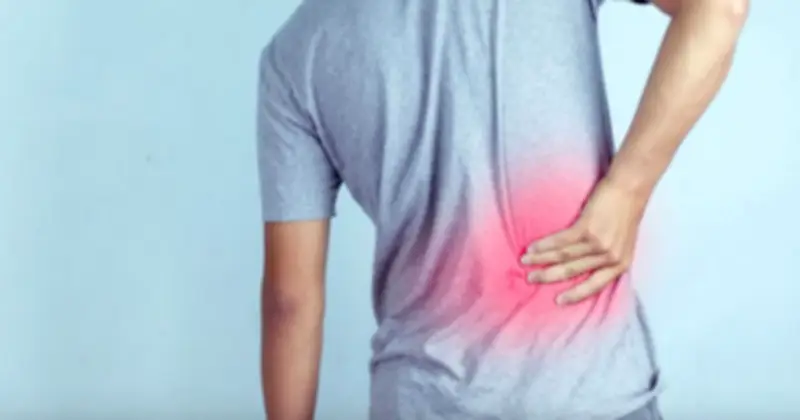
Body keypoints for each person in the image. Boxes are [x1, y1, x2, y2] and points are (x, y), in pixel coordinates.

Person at [256, 0, 748, 418]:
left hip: (422, 399)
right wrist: (628, 188)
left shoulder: (293, 55)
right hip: (588, 391)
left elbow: (290, 301)